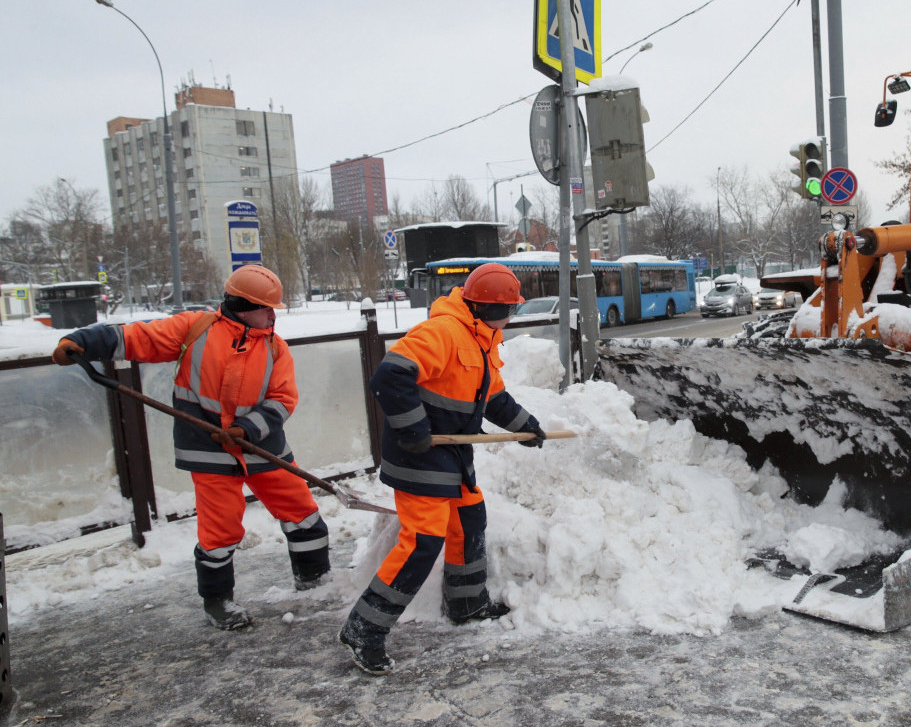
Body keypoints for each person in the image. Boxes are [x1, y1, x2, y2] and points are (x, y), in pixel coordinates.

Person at [51, 265, 330, 631]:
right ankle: (218, 601)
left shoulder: (275, 348)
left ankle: (315, 583)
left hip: (263, 448)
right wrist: (82, 342)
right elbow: (137, 337)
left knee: (303, 512)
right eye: (267, 308)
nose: (273, 315)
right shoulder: (193, 330)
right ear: (243, 306)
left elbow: (283, 399)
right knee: (220, 530)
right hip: (207, 450)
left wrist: (248, 428)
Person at [339, 262, 547, 675]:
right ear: (490, 308)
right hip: (420, 455)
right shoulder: (444, 332)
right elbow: (389, 376)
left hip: (452, 455)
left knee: (470, 517)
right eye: (511, 309)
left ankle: (466, 602)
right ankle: (365, 627)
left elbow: (494, 398)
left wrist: (527, 427)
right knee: (422, 542)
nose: (513, 316)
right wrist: (413, 428)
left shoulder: (483, 339)